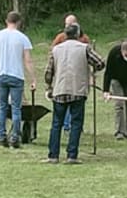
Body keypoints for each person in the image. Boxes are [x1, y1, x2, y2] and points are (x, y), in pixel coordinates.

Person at [42, 23, 105, 164]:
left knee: (56, 124)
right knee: (76, 123)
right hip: (78, 90)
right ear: (77, 34)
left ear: (65, 34)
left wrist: (49, 87)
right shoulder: (84, 48)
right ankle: (72, 155)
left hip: (59, 89)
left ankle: (53, 155)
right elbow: (100, 63)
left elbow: (48, 72)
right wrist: (90, 69)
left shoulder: (56, 49)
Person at [0, 11, 37, 148]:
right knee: (16, 108)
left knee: (2, 107)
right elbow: (28, 61)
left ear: (6, 21)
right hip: (17, 76)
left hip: (1, 75)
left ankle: (2, 135)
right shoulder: (23, 38)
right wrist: (33, 79)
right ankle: (15, 136)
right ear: (19, 22)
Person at [49, 14, 91, 132]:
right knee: (65, 103)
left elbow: (91, 59)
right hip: (63, 76)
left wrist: (91, 75)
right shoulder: (60, 38)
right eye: (66, 24)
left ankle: (74, 126)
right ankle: (67, 126)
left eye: (70, 24)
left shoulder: (84, 39)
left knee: (75, 104)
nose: (68, 26)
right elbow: (52, 53)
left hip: (78, 76)